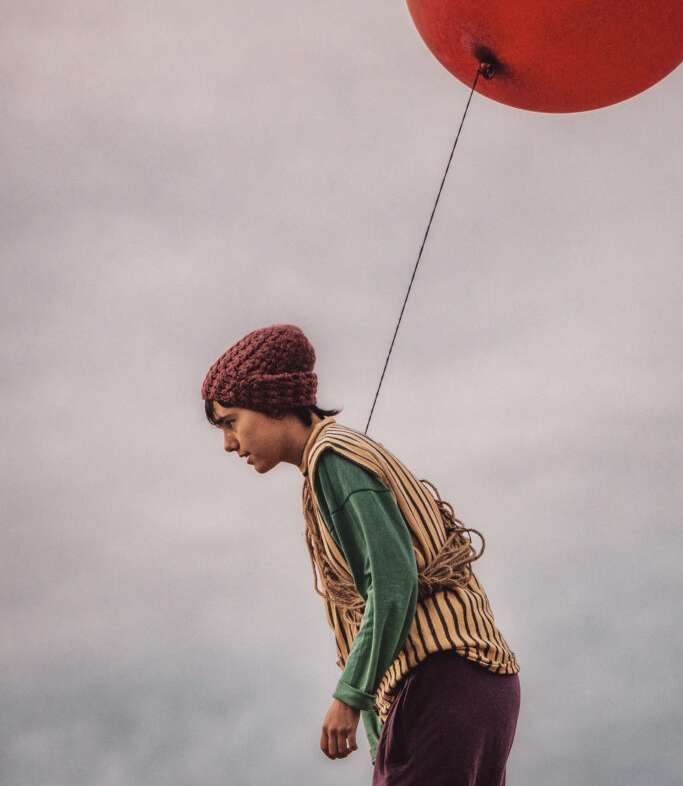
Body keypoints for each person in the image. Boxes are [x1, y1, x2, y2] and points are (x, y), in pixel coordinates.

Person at [202, 323, 520, 784]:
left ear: (273, 402)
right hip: (464, 683)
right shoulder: (324, 470)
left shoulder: (334, 457)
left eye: (231, 421)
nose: (229, 443)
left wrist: (349, 695)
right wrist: (379, 737)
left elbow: (392, 582)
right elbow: (365, 614)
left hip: (445, 677)